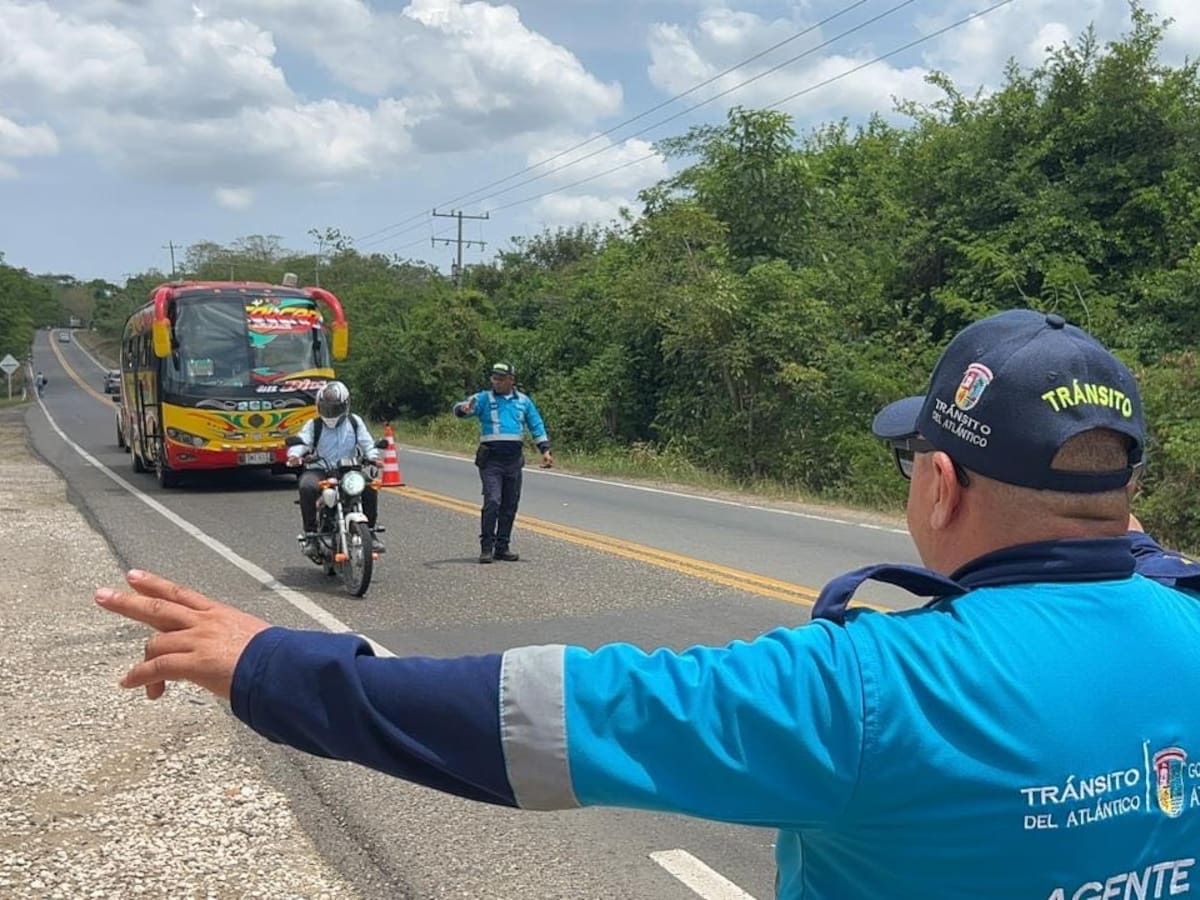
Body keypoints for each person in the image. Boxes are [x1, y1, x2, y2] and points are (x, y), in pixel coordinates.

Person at [96, 309, 1200, 899]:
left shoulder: (866, 687)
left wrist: (262, 660)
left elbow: (533, 717)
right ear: (1127, 487)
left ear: (939, 483)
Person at [452, 361, 552, 563]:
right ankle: (486, 547)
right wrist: (463, 408)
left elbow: (536, 424)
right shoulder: (483, 399)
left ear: (511, 380)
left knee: (509, 504)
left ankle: (502, 546)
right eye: (494, 378)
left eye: (500, 379)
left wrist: (545, 450)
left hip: (513, 460)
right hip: (491, 460)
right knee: (493, 501)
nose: (496, 382)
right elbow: (461, 409)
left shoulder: (523, 401)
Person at [286, 380, 383, 555]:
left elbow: (367, 442)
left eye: (335, 408)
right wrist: (295, 455)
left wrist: (374, 457)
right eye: (326, 408)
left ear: (346, 405)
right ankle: (311, 535)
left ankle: (370, 532)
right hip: (319, 468)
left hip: (349, 469)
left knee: (369, 486)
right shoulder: (313, 425)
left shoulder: (354, 422)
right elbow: (303, 441)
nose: (330, 413)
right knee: (306, 486)